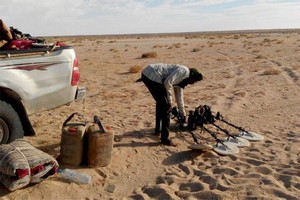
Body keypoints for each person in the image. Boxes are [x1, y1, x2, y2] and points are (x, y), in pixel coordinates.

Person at [141, 63, 203, 146]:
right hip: (153, 76)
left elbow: (179, 97)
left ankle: (158, 130)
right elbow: (167, 83)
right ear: (191, 77)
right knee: (166, 107)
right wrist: (169, 102)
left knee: (161, 103)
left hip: (147, 74)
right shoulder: (184, 71)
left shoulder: (181, 80)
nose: (190, 84)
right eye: (192, 82)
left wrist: (183, 115)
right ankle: (165, 139)